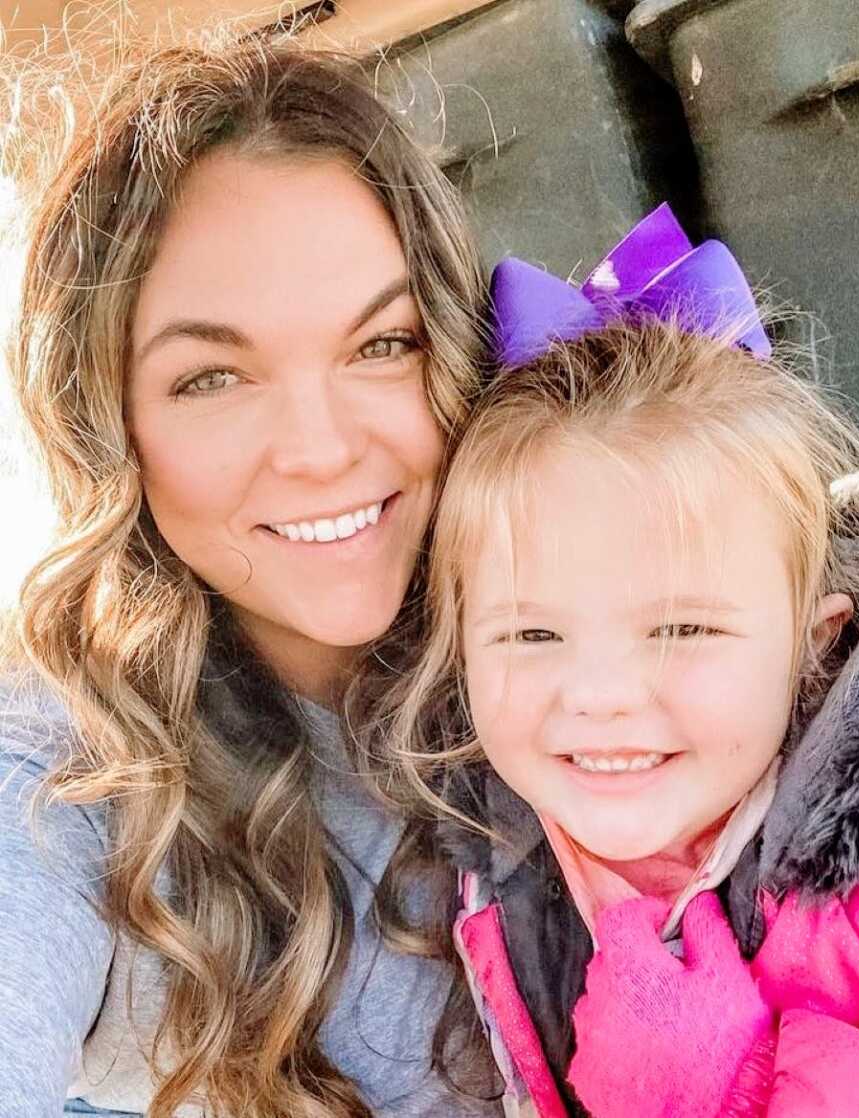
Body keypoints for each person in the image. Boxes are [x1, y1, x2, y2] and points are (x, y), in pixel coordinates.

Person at [0, 31, 504, 1118]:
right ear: (110, 426)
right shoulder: (63, 781)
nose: (319, 449)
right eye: (213, 375)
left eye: (382, 344)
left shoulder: (589, 615)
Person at [377, 206, 859, 1116]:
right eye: (533, 635)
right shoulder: (488, 845)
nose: (602, 696)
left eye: (682, 630)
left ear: (813, 645)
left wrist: (732, 1091)